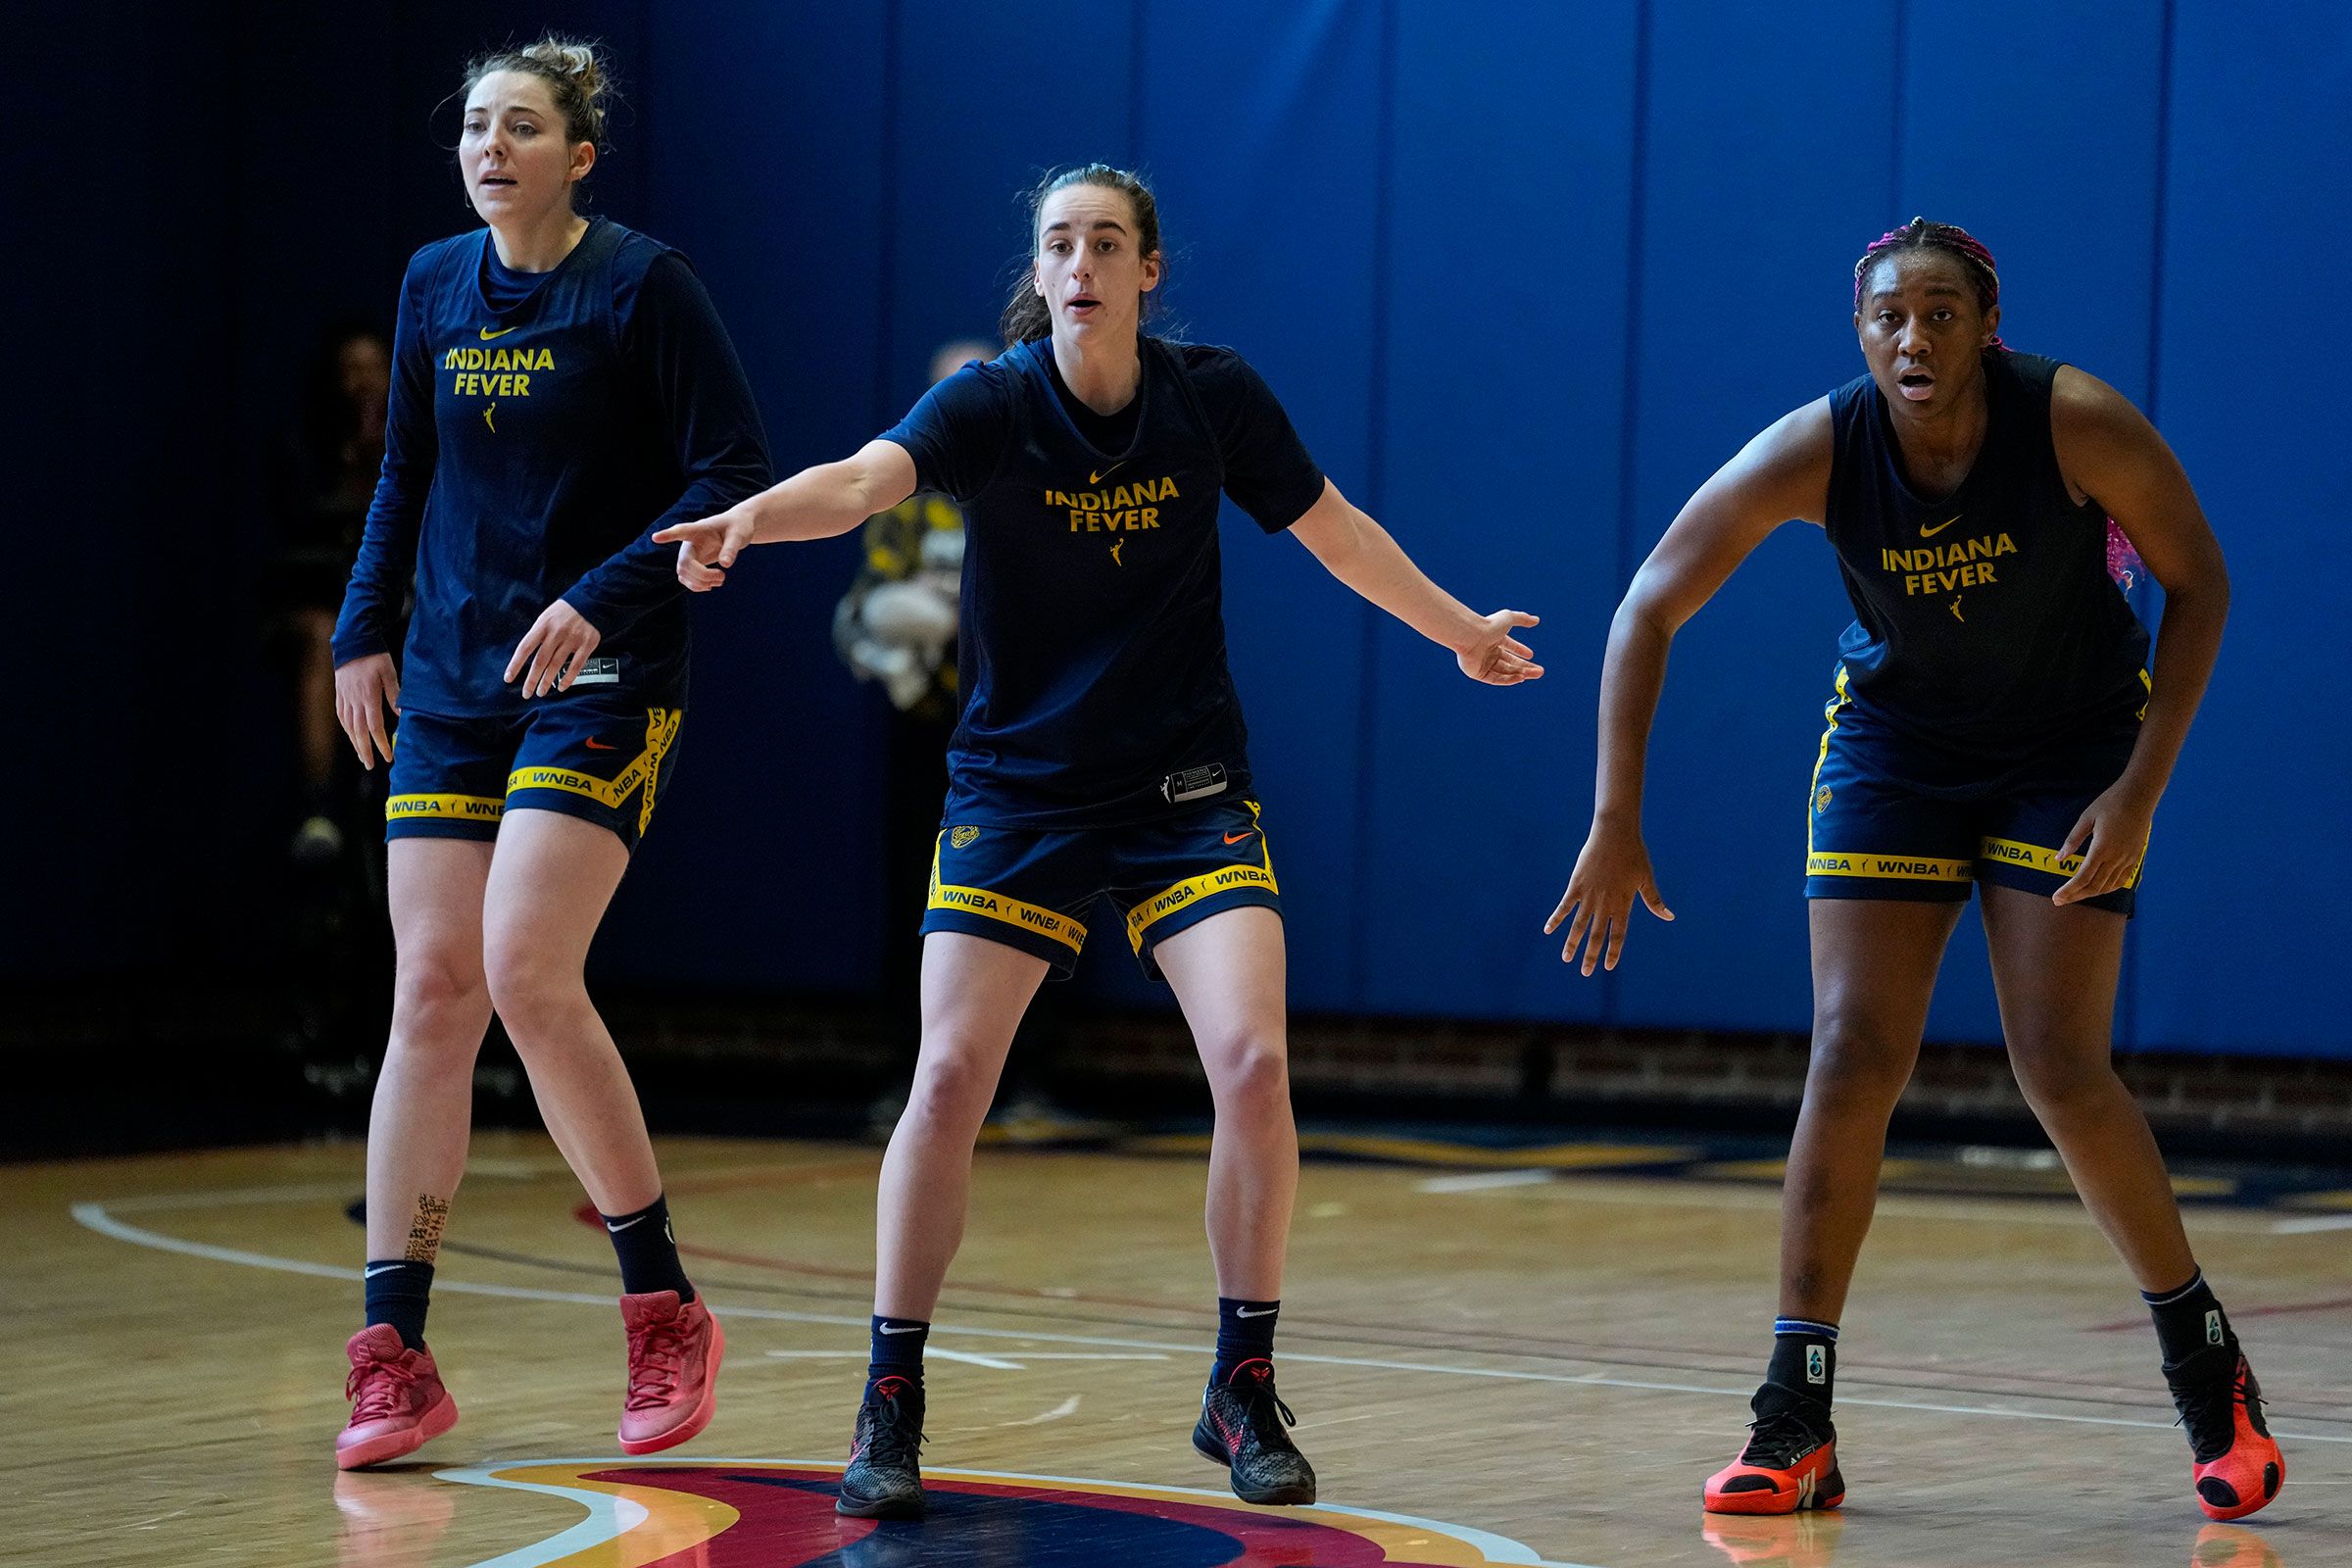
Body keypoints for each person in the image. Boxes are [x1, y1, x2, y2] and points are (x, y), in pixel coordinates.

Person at [657, 163, 1543, 1519]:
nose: (1080, 262)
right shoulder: (993, 401)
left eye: (1106, 242)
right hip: (1016, 789)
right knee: (948, 1074)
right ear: (1041, 271)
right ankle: (891, 1395)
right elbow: (861, 481)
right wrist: (749, 521)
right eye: (1059, 242)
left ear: (1148, 274)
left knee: (1251, 1058)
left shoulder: (1212, 397)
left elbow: (1335, 532)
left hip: (1184, 785)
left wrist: (1460, 631)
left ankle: (1241, 1383)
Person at [1545, 220, 2279, 1522]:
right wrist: (1616, 817)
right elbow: (1648, 601)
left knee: (2058, 1065)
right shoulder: (1823, 447)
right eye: (1888, 316)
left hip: (2071, 746)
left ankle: (2206, 1369)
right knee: (1849, 1051)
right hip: (1899, 743)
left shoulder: (2075, 421)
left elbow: (2201, 581)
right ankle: (1795, 1417)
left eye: (1940, 313)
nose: (1913, 337)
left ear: (1985, 328)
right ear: (1860, 333)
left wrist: (2140, 790)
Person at [328, 36, 771, 1469]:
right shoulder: (430, 284)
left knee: (525, 966)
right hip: (454, 674)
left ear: (580, 154)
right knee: (434, 991)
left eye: (522, 127)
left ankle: (663, 1304)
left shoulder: (644, 285)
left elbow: (731, 476)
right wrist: (361, 631)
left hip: (604, 667)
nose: (491, 147)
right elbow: (408, 466)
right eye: (474, 126)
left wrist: (604, 593)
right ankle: (393, 1352)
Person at [274, 321, 392, 863]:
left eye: (375, 370)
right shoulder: (303, 458)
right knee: (326, 637)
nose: (364, 384)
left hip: (399, 614)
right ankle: (317, 808)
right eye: (352, 371)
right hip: (316, 612)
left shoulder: (412, 451)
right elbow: (288, 556)